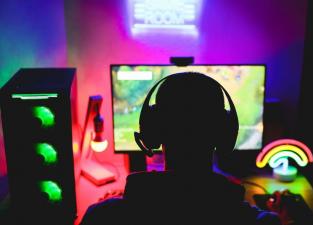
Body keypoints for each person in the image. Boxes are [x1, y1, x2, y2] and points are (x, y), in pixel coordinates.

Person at [80, 72, 281, 225]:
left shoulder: (100, 217)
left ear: (153, 131)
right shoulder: (264, 222)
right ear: (225, 132)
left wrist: (114, 203)